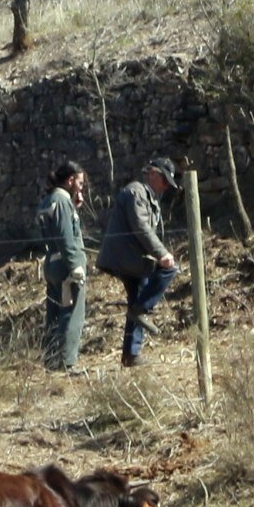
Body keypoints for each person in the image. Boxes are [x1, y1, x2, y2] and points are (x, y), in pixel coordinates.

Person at [100, 158, 184, 368]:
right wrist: (162, 254)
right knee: (170, 269)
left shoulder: (147, 196)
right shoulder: (136, 192)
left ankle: (131, 354)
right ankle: (141, 313)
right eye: (164, 180)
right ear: (153, 174)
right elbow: (141, 227)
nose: (166, 187)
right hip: (127, 257)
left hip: (131, 256)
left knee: (137, 298)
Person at [35, 160, 91, 374]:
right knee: (71, 313)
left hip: (51, 264)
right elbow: (66, 236)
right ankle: (68, 363)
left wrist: (74, 210)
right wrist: (76, 264)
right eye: (80, 183)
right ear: (70, 180)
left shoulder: (48, 200)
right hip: (66, 266)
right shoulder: (61, 200)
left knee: (54, 314)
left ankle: (50, 361)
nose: (81, 188)